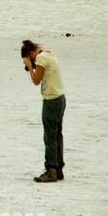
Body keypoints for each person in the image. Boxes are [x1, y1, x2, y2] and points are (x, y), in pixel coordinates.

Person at [21, 39, 65, 182]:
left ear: (29, 54)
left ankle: (51, 170)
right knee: (57, 134)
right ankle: (58, 169)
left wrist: (29, 66)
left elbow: (36, 81)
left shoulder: (40, 58)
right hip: (60, 98)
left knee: (49, 136)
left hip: (51, 100)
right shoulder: (48, 54)